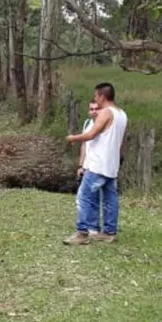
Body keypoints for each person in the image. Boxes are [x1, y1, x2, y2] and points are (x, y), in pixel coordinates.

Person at [64, 82, 128, 245]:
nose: (95, 99)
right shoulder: (122, 114)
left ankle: (82, 233)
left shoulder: (106, 112)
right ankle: (109, 232)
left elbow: (91, 134)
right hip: (111, 165)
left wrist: (72, 138)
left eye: (96, 96)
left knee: (84, 196)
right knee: (110, 199)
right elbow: (121, 141)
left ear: (102, 96)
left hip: (98, 164)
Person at [76, 99, 102, 236]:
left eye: (97, 109)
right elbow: (84, 145)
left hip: (98, 165)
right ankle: (90, 225)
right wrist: (81, 165)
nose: (94, 112)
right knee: (86, 196)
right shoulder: (87, 123)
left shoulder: (104, 124)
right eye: (91, 109)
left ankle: (91, 226)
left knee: (89, 197)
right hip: (87, 165)